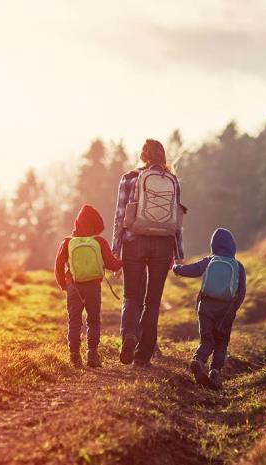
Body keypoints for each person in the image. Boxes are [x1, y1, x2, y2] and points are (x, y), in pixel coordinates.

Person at [112, 139, 186, 368]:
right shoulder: (172, 180)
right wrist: (178, 253)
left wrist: (116, 249)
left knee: (132, 296)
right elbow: (176, 221)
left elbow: (120, 216)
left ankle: (129, 337)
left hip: (134, 242)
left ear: (143, 156)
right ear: (163, 156)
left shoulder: (129, 177)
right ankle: (143, 355)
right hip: (163, 245)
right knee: (152, 301)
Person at [172, 228, 247, 389]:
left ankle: (198, 360)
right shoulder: (238, 266)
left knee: (206, 339)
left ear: (213, 245)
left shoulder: (210, 260)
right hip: (226, 309)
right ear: (232, 246)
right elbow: (241, 291)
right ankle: (215, 372)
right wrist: (233, 308)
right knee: (221, 342)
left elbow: (192, 270)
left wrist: (177, 269)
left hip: (205, 305)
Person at [54, 204, 122, 367]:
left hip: (74, 287)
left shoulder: (68, 242)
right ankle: (92, 354)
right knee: (93, 320)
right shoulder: (99, 241)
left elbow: (58, 266)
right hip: (93, 287)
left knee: (74, 321)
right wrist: (123, 262)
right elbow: (112, 264)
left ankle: (74, 356)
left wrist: (65, 285)